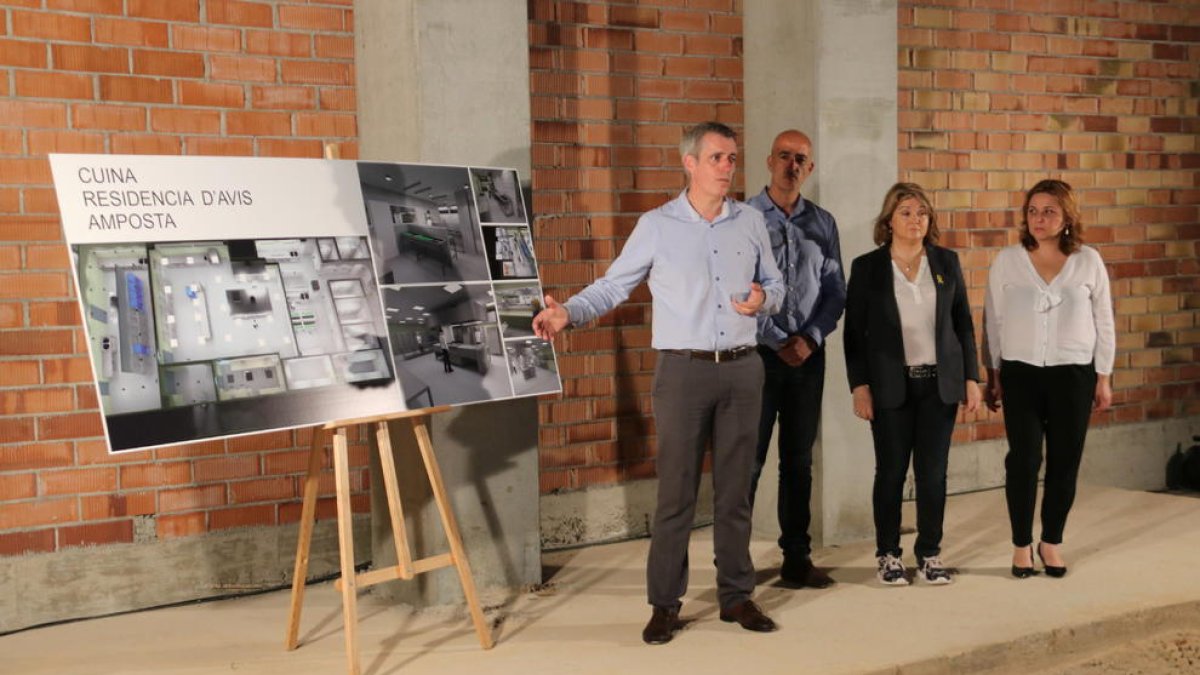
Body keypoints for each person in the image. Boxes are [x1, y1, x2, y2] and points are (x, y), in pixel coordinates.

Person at [533, 122, 785, 644]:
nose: (727, 167)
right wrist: (568, 315)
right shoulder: (657, 225)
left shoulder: (751, 222)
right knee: (676, 493)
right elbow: (613, 285)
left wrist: (766, 299)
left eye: (733, 158)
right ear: (689, 163)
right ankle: (664, 604)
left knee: (737, 490)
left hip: (743, 367)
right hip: (683, 371)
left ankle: (736, 596)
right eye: (717, 157)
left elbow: (777, 283)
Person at [843, 182, 981, 586]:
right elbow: (854, 335)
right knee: (890, 472)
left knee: (933, 474)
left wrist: (972, 377)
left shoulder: (945, 262)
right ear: (889, 220)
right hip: (890, 387)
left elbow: (963, 324)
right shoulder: (868, 267)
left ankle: (931, 553)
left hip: (939, 385)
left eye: (922, 212)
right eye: (905, 212)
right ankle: (888, 554)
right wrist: (859, 386)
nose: (915, 219)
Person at [983, 179, 1114, 579]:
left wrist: (1103, 375)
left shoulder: (1089, 260)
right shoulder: (1008, 260)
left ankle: (1051, 542)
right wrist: (994, 372)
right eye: (1033, 211)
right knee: (1023, 460)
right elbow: (993, 320)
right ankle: (1022, 545)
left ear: (1067, 216)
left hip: (1074, 373)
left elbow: (1103, 320)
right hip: (1021, 374)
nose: (1039, 219)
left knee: (1064, 462)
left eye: (1049, 211)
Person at [747, 129, 845, 589]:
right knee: (748, 460)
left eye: (800, 159)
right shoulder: (743, 218)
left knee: (799, 461)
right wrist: (775, 338)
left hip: (808, 358)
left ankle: (796, 559)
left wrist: (810, 337)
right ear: (770, 160)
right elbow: (733, 289)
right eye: (784, 156)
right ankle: (734, 561)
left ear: (810, 168)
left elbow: (835, 291)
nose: (791, 165)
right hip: (757, 357)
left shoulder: (823, 224)